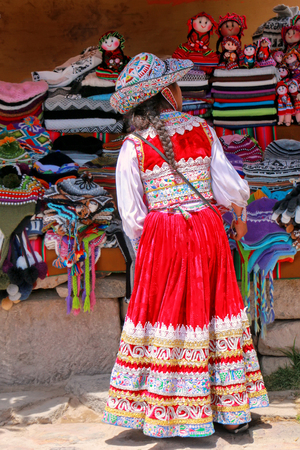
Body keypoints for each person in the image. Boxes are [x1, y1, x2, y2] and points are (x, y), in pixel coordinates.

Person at [102, 52, 269, 438]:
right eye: (177, 85)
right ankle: (229, 411)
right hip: (207, 228)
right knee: (214, 309)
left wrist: (152, 243)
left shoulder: (132, 146)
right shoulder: (201, 129)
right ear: (168, 92)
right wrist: (238, 209)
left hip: (162, 233)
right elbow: (231, 189)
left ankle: (167, 412)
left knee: (167, 316)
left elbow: (131, 216)